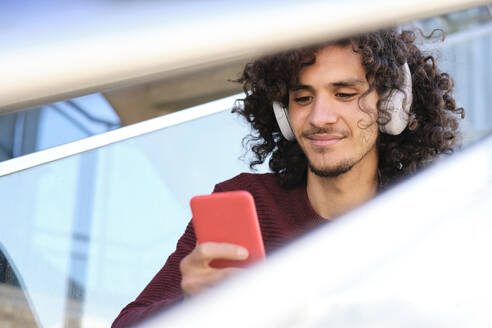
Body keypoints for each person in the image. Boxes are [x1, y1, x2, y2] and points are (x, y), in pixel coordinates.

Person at [112, 28, 464, 327]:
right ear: (284, 114)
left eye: (344, 94)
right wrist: (189, 306)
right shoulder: (245, 201)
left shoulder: (428, 220)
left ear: (391, 107)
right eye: (303, 97)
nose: (319, 117)